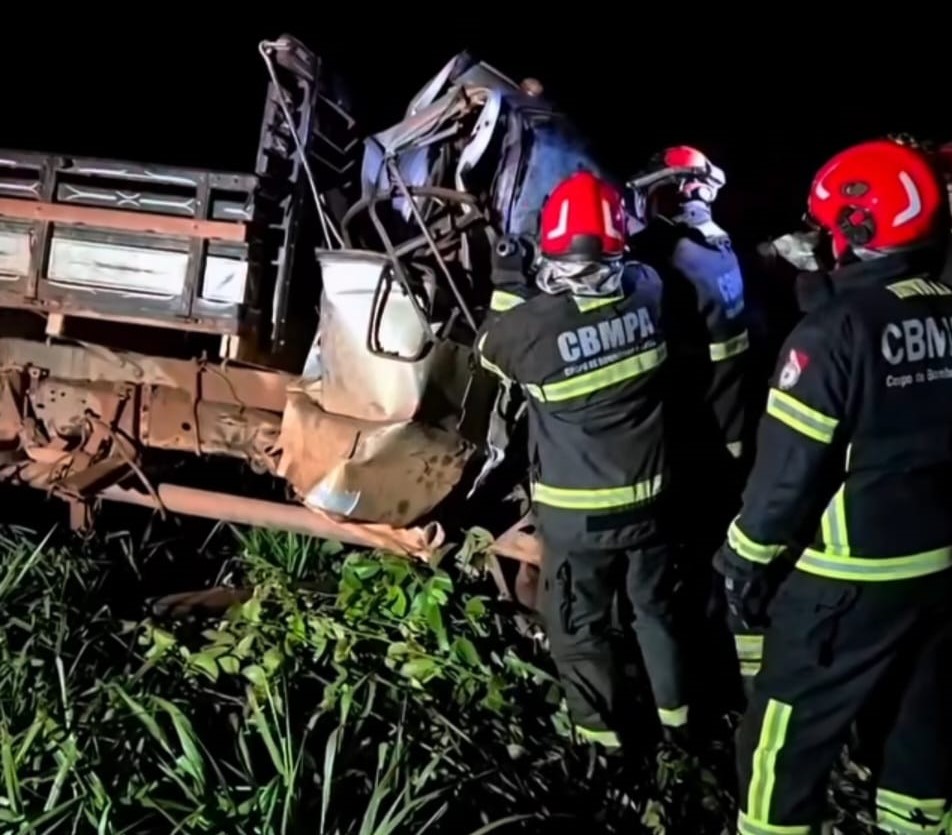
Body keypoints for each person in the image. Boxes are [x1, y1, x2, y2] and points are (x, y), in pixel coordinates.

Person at [717, 138, 952, 835]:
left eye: (826, 228)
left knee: (780, 741)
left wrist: (742, 558)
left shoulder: (830, 335)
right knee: (923, 721)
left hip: (848, 579)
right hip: (940, 565)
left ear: (855, 230)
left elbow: (787, 475)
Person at [475, 170, 689, 747]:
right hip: (652, 502)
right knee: (656, 611)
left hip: (578, 518)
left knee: (578, 625)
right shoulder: (649, 289)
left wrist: (506, 277)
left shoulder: (531, 330)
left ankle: (603, 748)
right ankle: (680, 726)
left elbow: (491, 351)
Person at [627, 146, 757, 697]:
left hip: (698, 431)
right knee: (718, 546)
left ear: (677, 193)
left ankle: (706, 668)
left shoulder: (674, 256)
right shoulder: (719, 243)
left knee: (694, 556)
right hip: (732, 424)